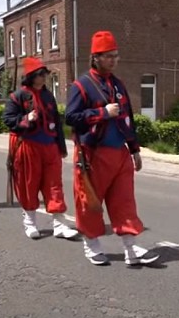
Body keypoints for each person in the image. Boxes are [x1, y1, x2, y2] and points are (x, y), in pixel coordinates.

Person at [64, 31, 159, 267]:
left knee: (124, 201)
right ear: (95, 57)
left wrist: (135, 149)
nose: (114, 61)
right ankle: (92, 244)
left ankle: (131, 247)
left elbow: (128, 118)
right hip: (92, 154)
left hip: (120, 153)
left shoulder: (118, 84)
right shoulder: (81, 85)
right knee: (91, 202)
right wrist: (102, 113)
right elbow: (71, 117)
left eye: (116, 56)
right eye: (109, 56)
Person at [2, 57, 79, 240]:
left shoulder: (48, 95)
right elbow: (8, 119)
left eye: (44, 74)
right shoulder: (18, 96)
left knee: (54, 185)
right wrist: (25, 119)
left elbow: (57, 123)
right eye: (40, 74)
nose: (43, 77)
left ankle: (59, 224)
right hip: (28, 146)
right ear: (31, 76)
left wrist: (61, 146)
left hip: (50, 147)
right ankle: (30, 222)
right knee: (29, 184)